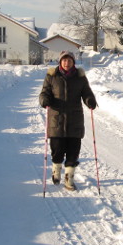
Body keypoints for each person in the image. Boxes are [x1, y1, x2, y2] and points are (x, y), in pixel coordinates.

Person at [39, 51, 97, 191]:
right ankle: (56, 171)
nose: (67, 63)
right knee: (57, 150)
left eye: (69, 60)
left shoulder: (80, 77)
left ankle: (69, 179)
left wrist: (90, 100)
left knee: (73, 151)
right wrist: (44, 100)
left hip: (75, 119)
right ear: (60, 62)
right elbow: (44, 92)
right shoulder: (52, 76)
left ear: (73, 62)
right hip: (56, 118)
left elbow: (86, 92)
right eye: (64, 60)